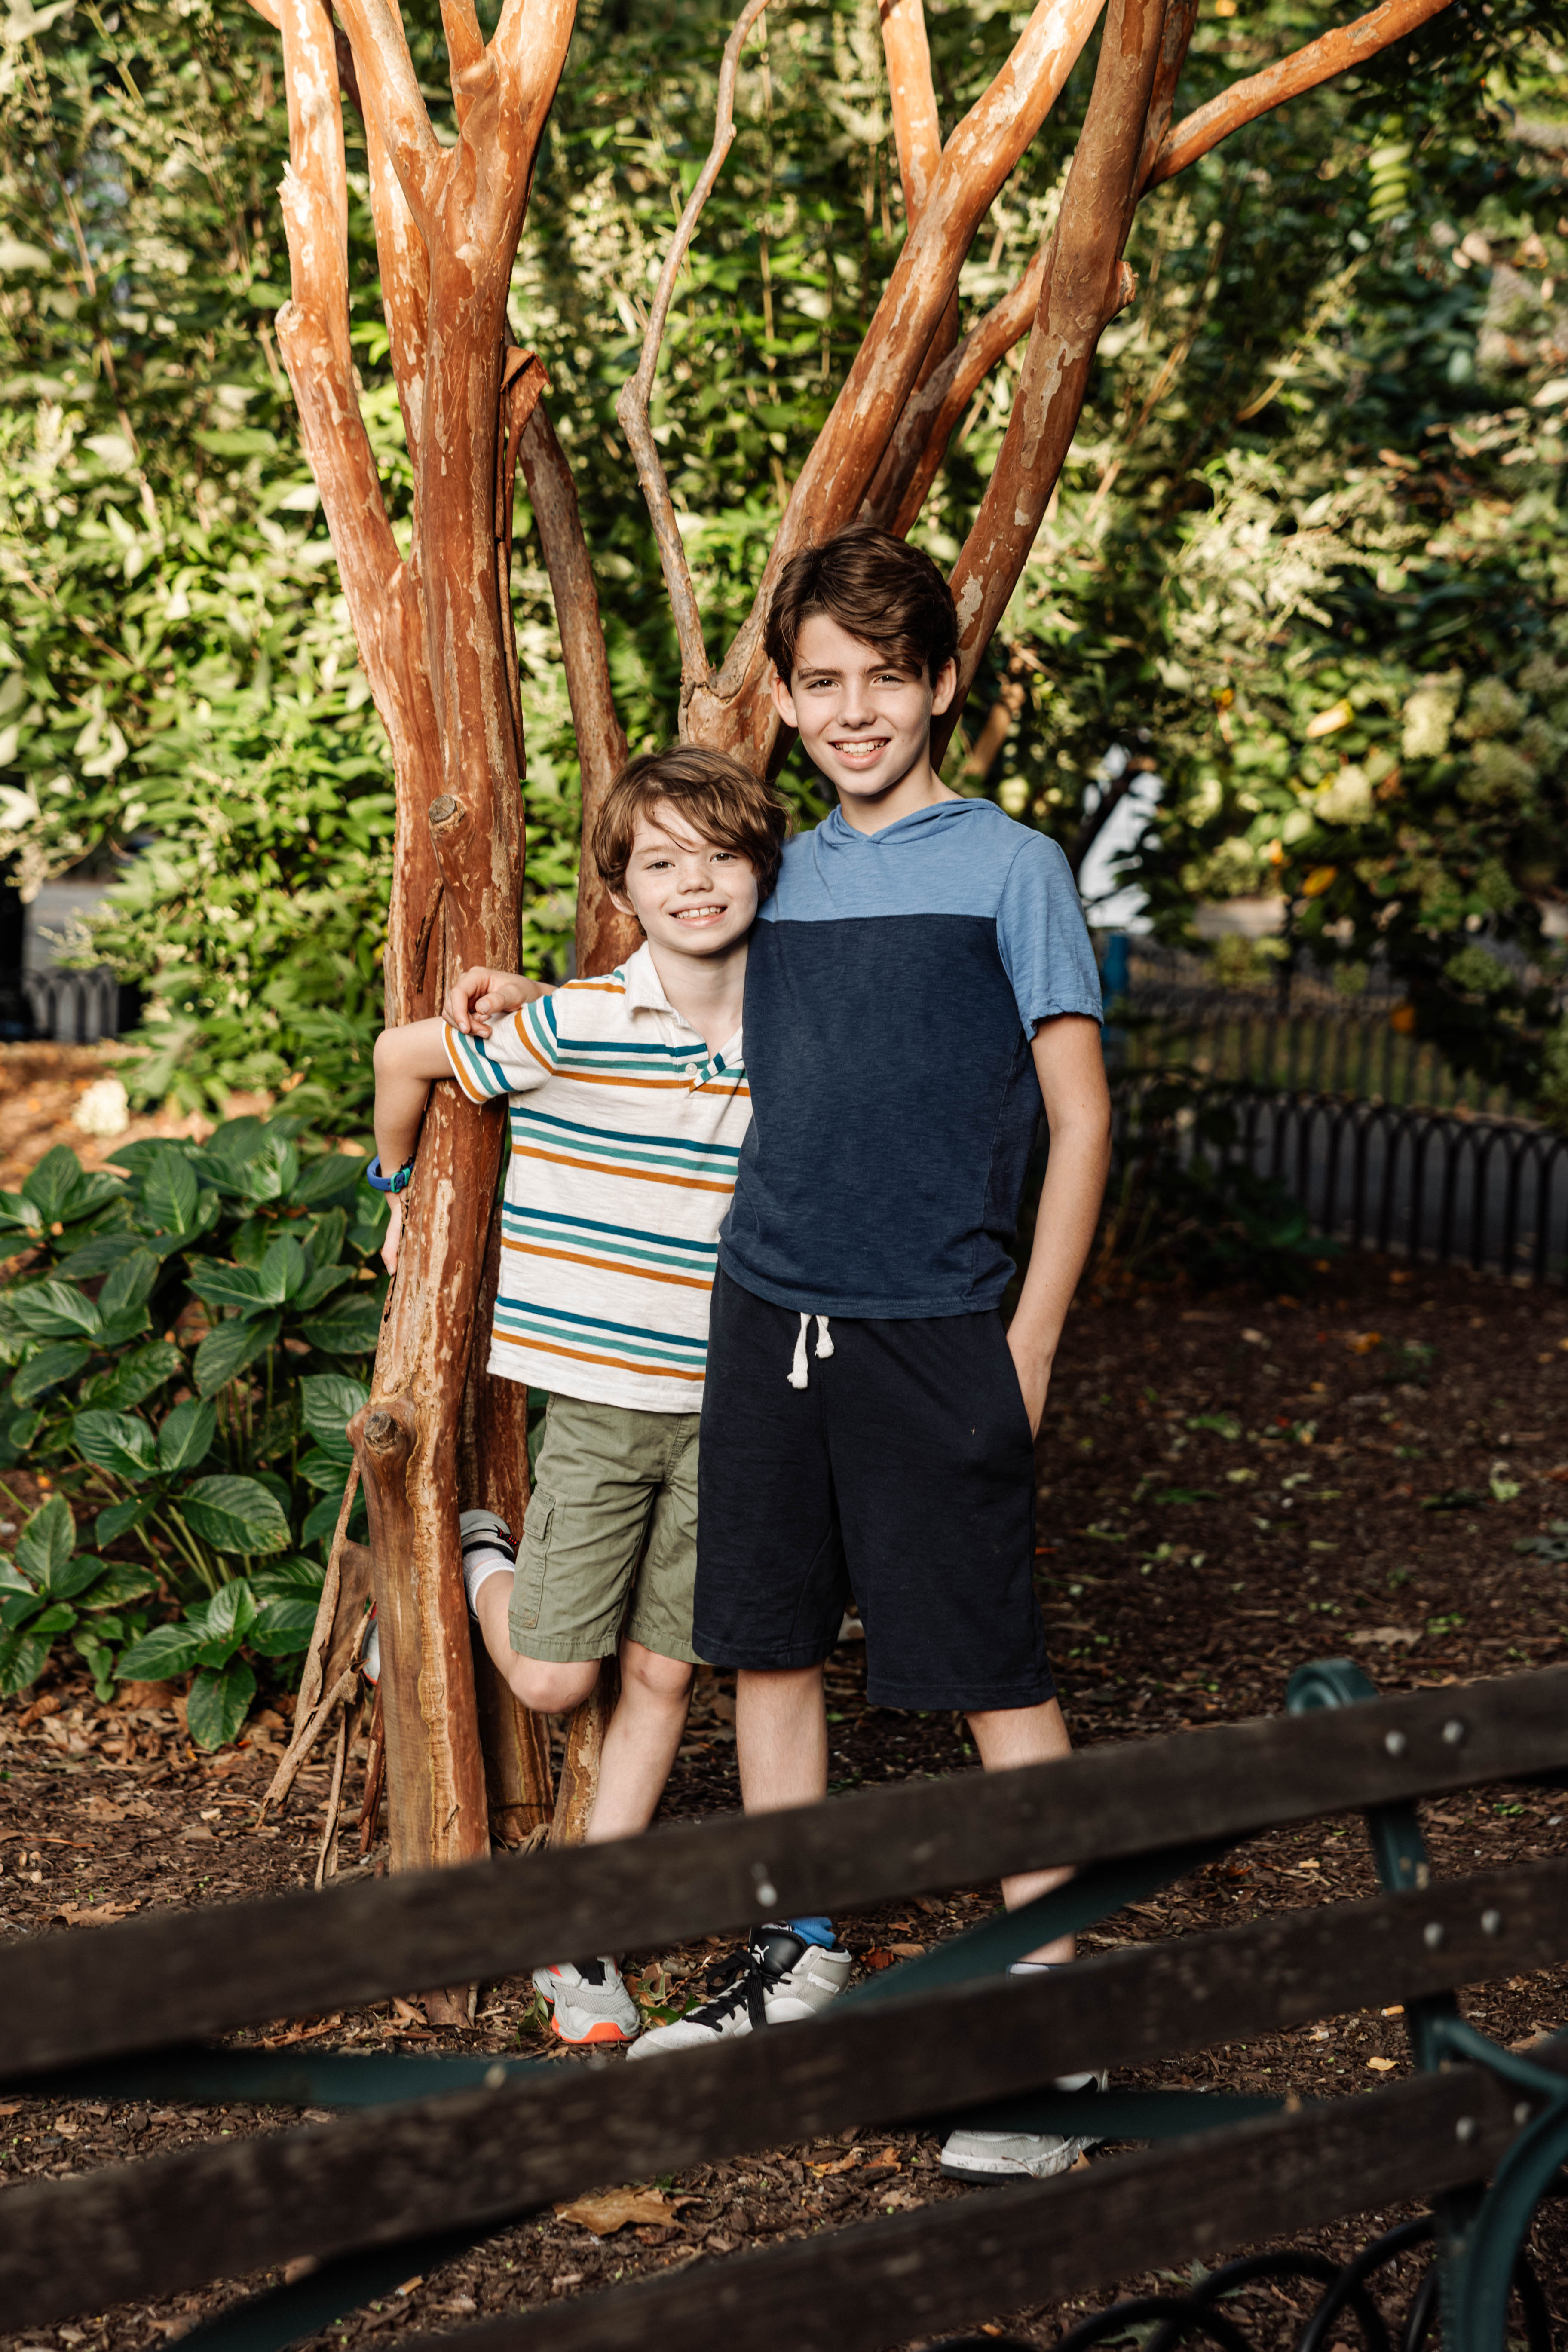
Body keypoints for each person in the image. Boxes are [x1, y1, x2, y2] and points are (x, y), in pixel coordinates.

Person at [624, 527, 1113, 2187]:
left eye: (881, 681)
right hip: (767, 1311)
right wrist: (483, 1009)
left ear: (941, 687)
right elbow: (662, 979)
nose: (849, 713)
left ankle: (1049, 2030)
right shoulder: (778, 869)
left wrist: (1027, 1342)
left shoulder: (1012, 869)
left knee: (989, 1675)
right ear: (790, 694)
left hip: (940, 1331)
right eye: (819, 683)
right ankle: (796, 1954)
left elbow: (1080, 1117)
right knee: (768, 1649)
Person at [369, 746, 850, 2048]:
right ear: (623, 889)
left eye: (722, 854)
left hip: (734, 1410)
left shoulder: (795, 1037)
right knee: (553, 1680)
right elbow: (402, 1052)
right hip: (596, 1403)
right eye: (661, 862)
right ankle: (483, 1554)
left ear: (766, 868)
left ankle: (580, 1942)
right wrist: (397, 1188)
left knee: (663, 1671)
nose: (695, 882)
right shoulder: (573, 1026)